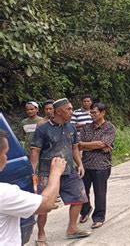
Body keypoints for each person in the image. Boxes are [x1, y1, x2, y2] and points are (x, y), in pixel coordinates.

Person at [30, 98, 91, 243]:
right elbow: (35, 152)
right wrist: (33, 172)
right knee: (44, 205)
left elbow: (75, 147)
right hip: (47, 173)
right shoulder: (43, 129)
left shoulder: (71, 127)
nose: (72, 112)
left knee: (79, 197)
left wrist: (80, 164)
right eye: (69, 109)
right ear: (58, 111)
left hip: (69, 171)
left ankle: (72, 228)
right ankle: (41, 235)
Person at [0, 130, 68, 246]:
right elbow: (46, 204)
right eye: (5, 153)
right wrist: (56, 172)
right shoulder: (4, 193)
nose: (6, 158)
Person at [78, 103, 116, 229]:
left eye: (94, 112)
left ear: (103, 112)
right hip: (86, 164)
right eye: (91, 112)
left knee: (100, 192)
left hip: (102, 165)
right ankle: (85, 210)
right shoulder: (86, 128)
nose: (92, 115)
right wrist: (99, 145)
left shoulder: (109, 128)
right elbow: (79, 145)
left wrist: (88, 145)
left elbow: (102, 143)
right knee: (82, 191)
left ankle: (99, 217)